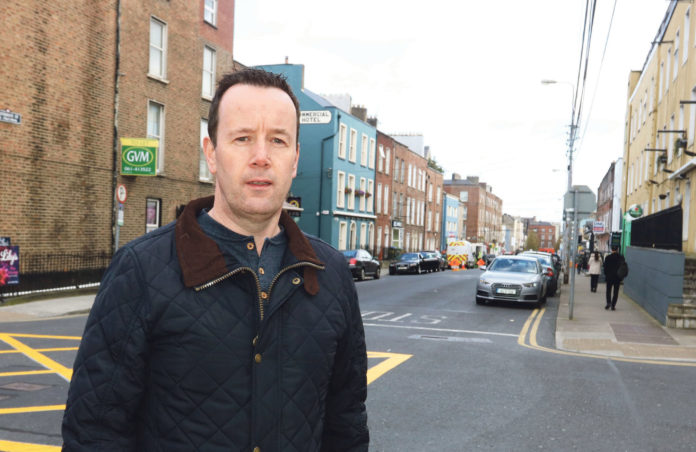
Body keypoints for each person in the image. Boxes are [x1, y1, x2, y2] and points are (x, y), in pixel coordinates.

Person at [62, 69, 369, 451]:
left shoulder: (330, 273)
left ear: (294, 159)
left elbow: (346, 421)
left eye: (277, 140)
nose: (261, 157)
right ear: (211, 153)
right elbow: (95, 431)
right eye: (242, 138)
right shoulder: (141, 269)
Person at [603, 245, 625, 310]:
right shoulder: (621, 258)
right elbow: (623, 267)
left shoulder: (607, 257)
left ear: (611, 250)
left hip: (609, 277)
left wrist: (606, 274)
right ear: (617, 250)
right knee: (616, 291)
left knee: (608, 290)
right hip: (617, 277)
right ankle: (613, 305)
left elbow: (605, 268)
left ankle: (608, 303)